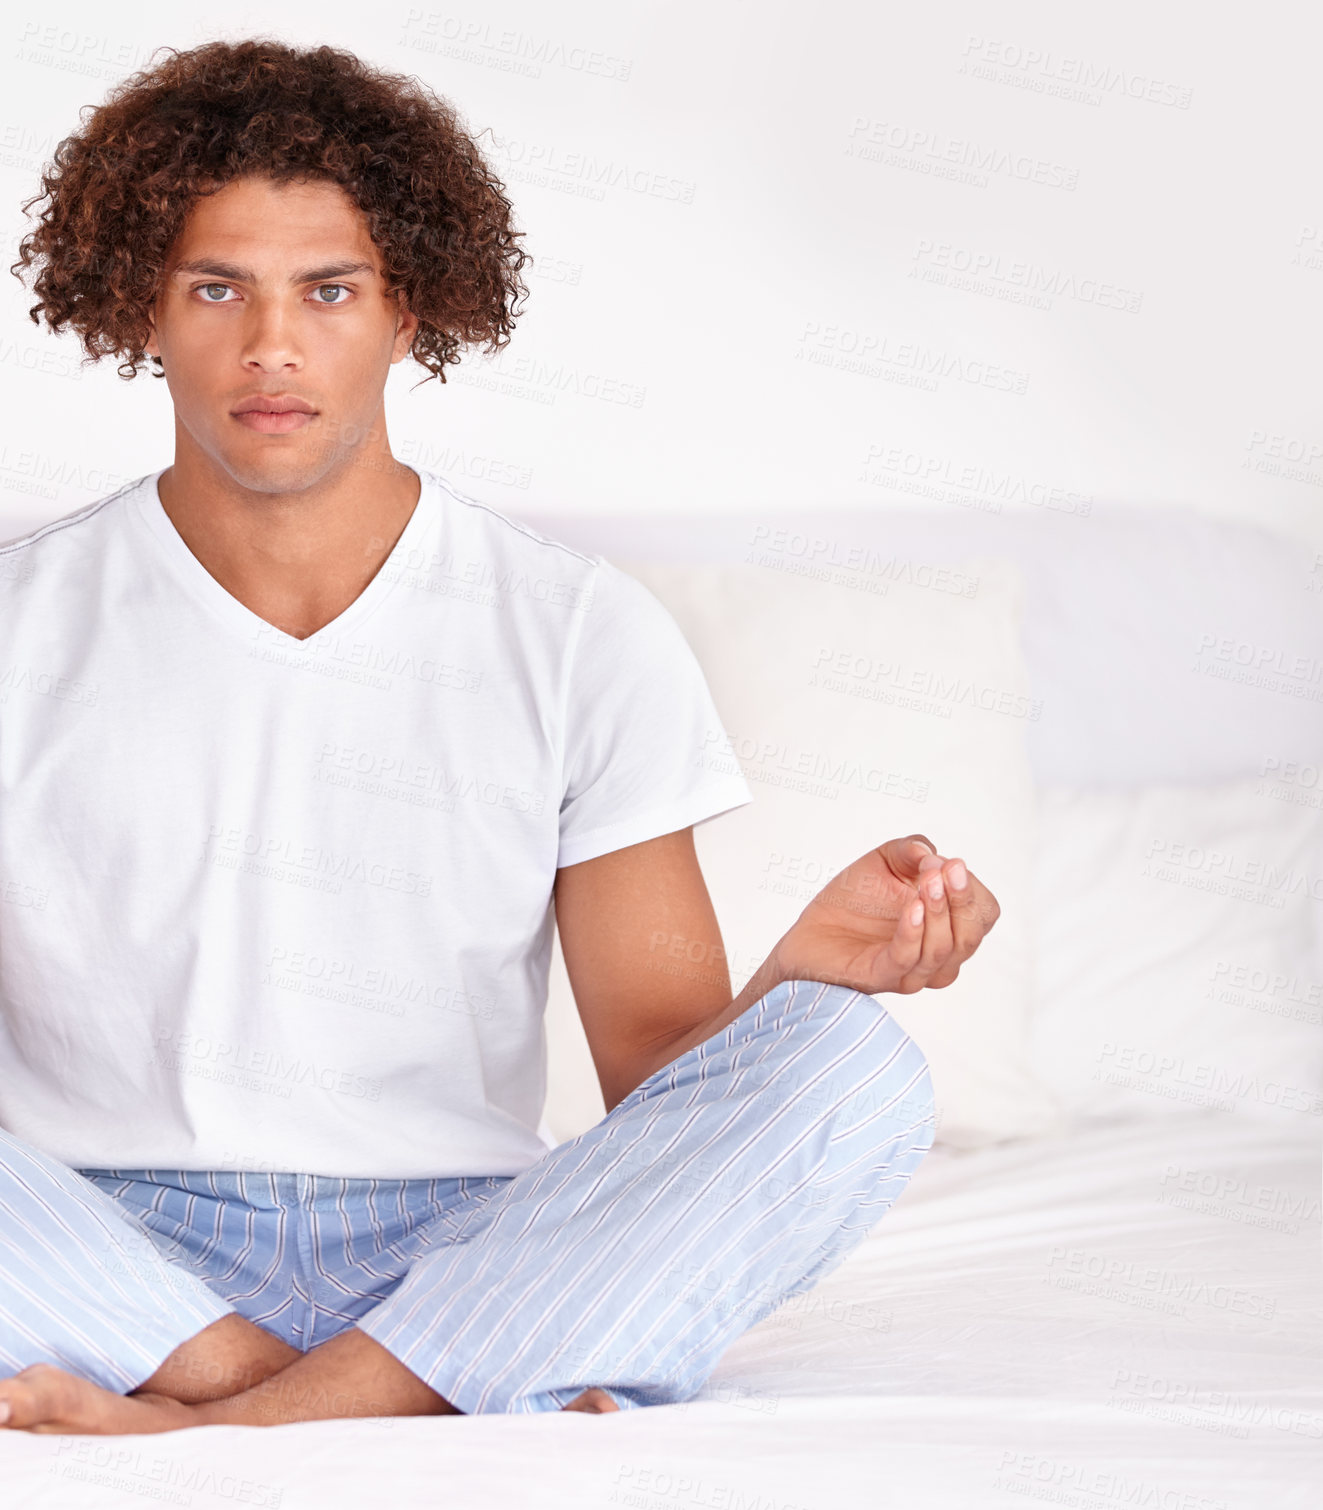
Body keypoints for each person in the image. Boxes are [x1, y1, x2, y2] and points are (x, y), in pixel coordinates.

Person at [0, 38, 999, 1435]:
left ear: (410, 312)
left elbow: (659, 1083)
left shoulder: (578, 629)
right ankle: (340, 1392)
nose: (272, 344)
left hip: (459, 1245)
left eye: (329, 290)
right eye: (216, 287)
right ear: (141, 311)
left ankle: (232, 1422)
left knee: (854, 1071)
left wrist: (803, 973)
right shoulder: (23, 626)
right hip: (113, 1254)